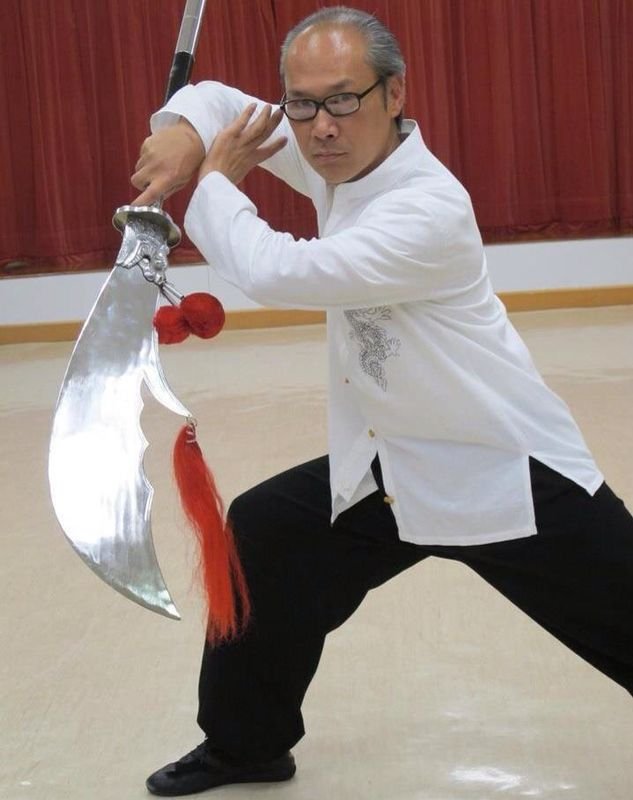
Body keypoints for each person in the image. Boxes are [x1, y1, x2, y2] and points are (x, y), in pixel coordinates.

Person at [131, 6, 633, 797]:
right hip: (393, 465)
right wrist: (186, 132)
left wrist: (215, 179)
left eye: (342, 99)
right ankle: (245, 743)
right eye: (302, 103)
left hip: (502, 467)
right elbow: (228, 104)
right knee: (268, 531)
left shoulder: (425, 207)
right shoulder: (340, 160)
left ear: (393, 94)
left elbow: (280, 273)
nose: (319, 127)